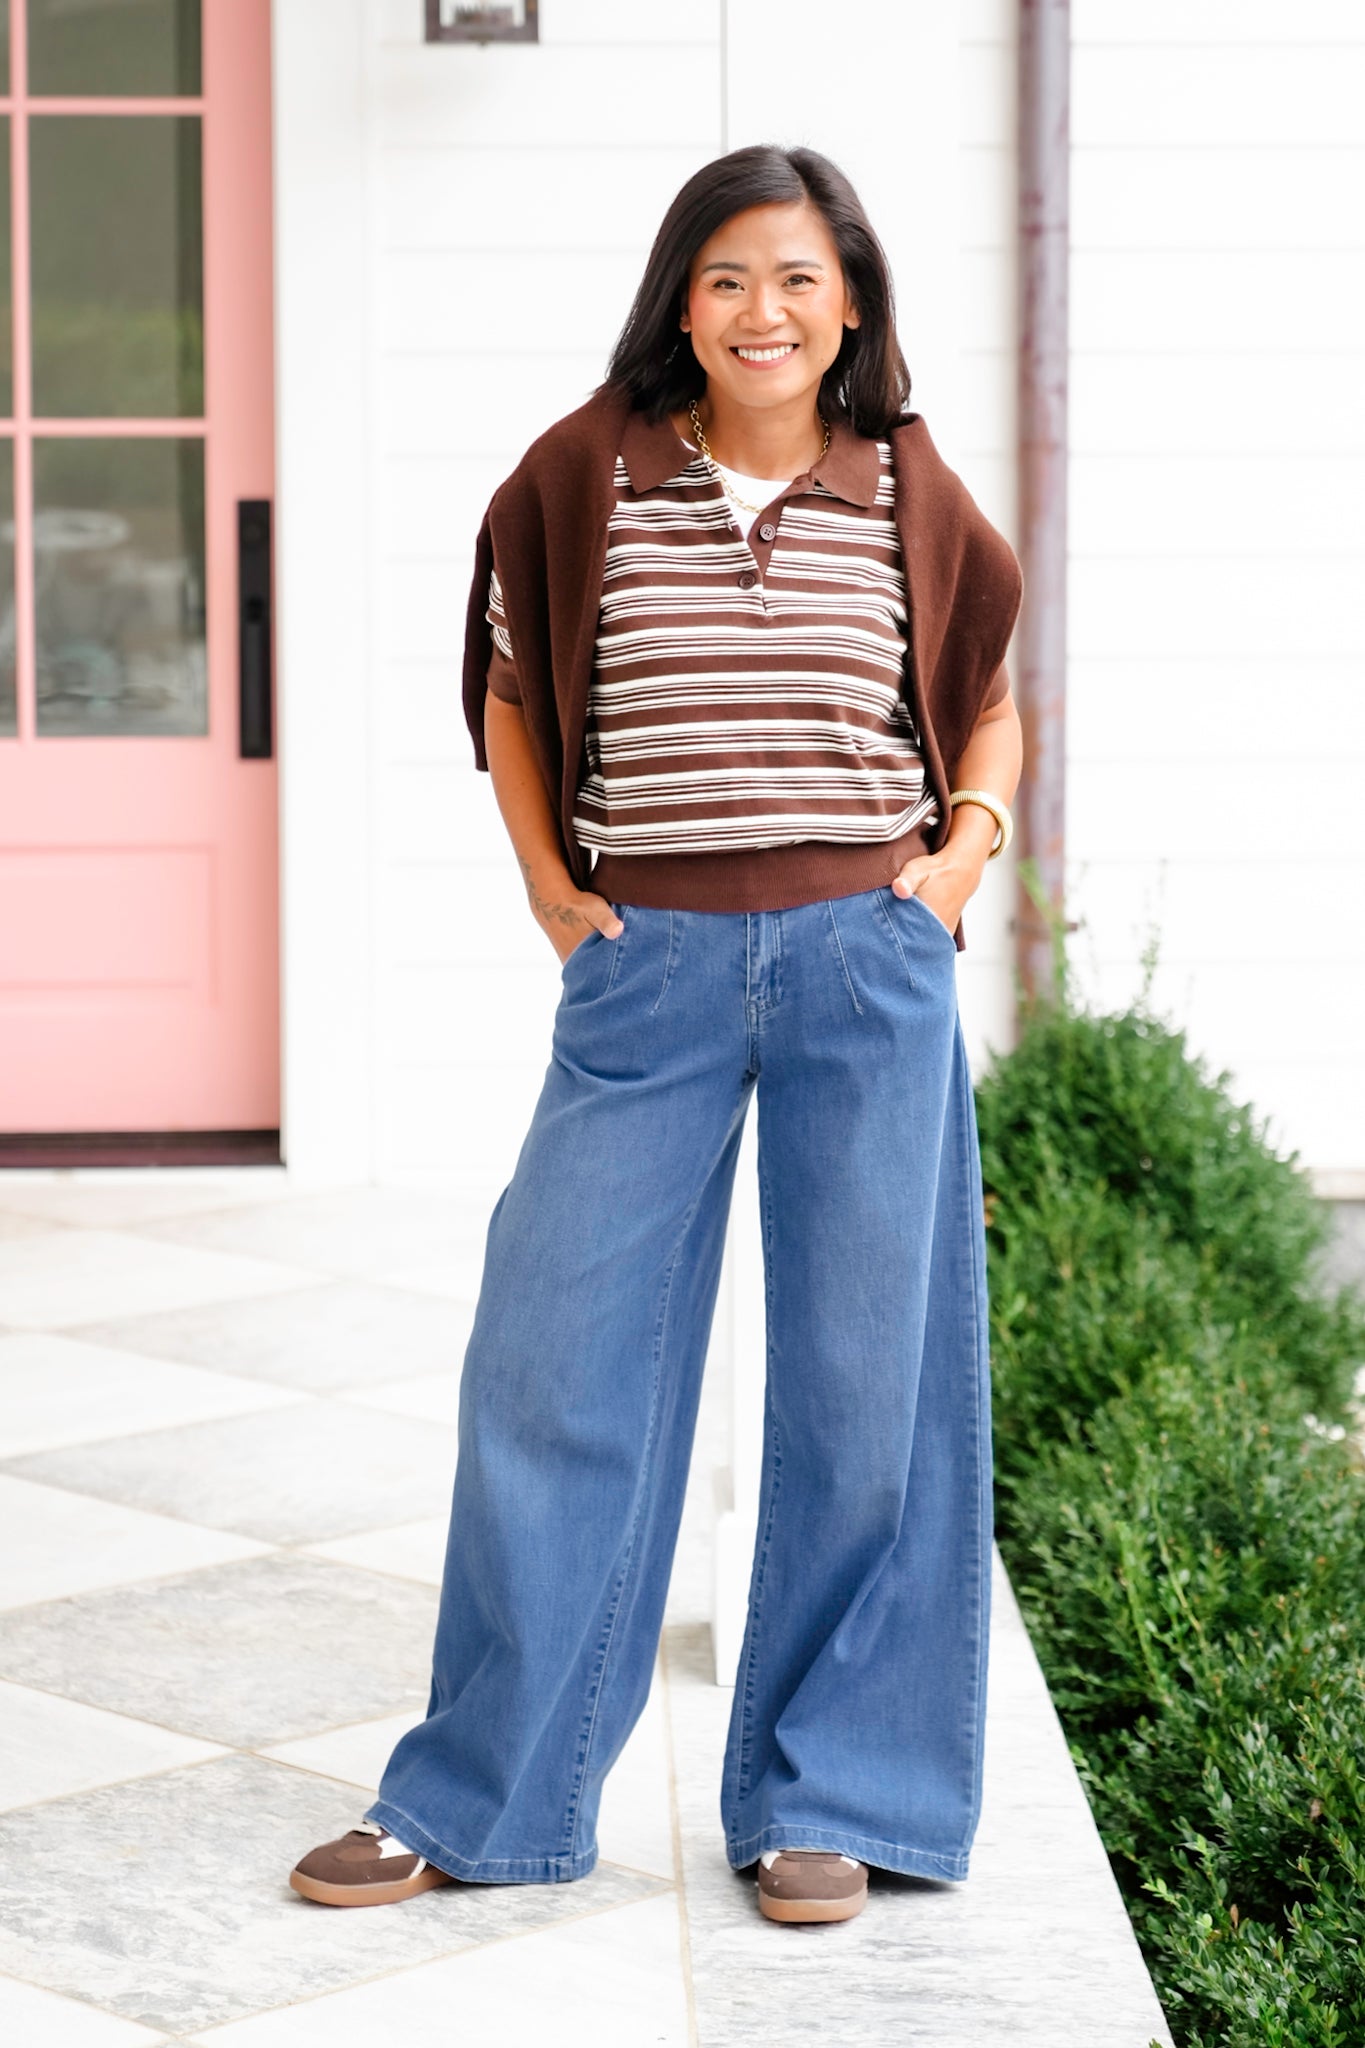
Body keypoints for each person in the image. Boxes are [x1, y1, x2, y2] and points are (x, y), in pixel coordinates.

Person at [290, 142, 1023, 1929]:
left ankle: (830, 1796)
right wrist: (549, 883)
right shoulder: (584, 472)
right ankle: (485, 1793)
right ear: (677, 302)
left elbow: (987, 699)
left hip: (867, 953)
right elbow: (513, 686)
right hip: (652, 964)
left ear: (848, 302)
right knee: (554, 1356)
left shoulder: (903, 482)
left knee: (868, 1380)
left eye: (793, 278)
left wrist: (956, 865)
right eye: (724, 278)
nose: (759, 312)